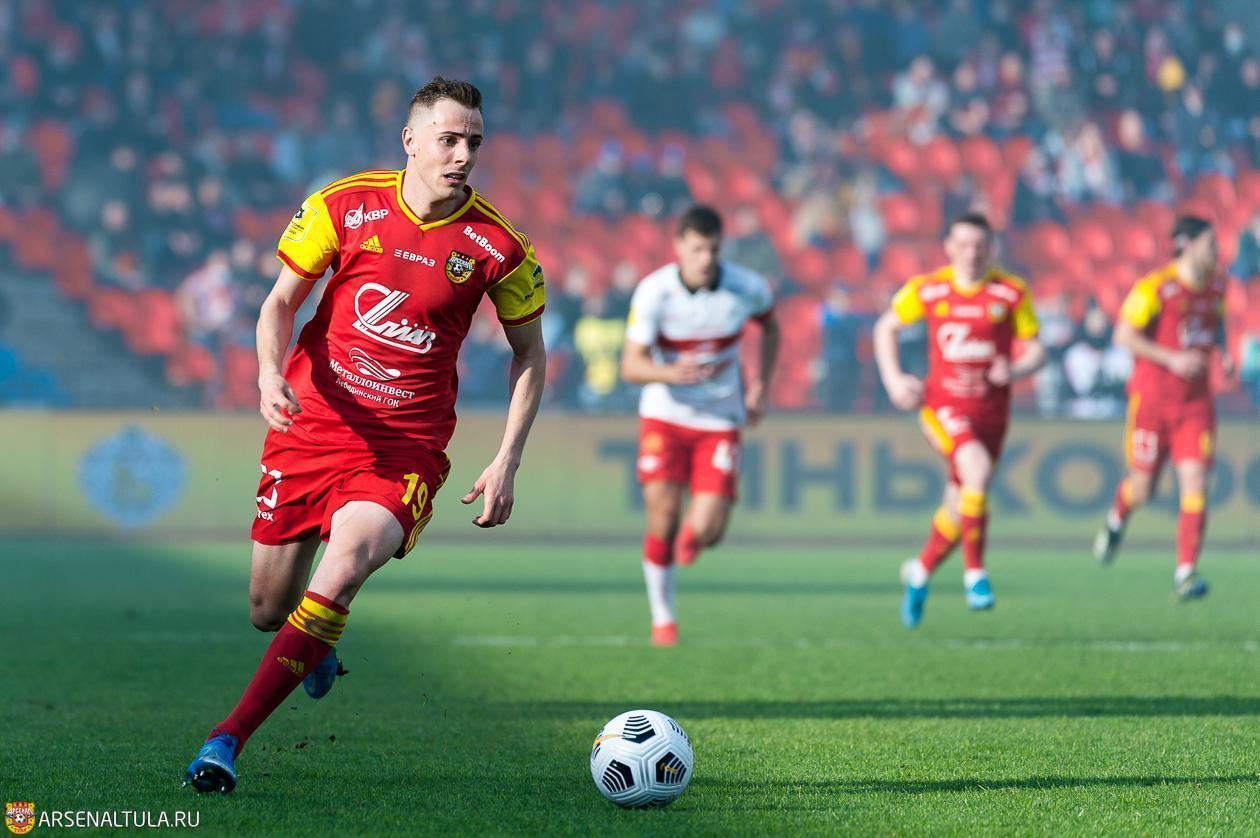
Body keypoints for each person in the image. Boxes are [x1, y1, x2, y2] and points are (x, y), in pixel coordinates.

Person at [183, 77, 547, 793]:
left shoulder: (499, 246)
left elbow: (530, 353)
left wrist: (508, 457)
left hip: (404, 448)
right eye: (449, 139)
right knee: (268, 610)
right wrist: (268, 374)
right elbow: (278, 303)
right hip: (312, 426)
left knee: (345, 564)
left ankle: (226, 739)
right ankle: (314, 644)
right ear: (410, 140)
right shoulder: (343, 205)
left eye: (474, 142)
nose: (463, 154)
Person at [873, 212, 1047, 629]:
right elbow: (885, 327)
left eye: (980, 246)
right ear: (948, 248)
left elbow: (1037, 349)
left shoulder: (1010, 293)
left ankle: (920, 573)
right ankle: (976, 576)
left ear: (992, 249)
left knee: (960, 506)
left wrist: (1017, 369)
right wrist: (894, 380)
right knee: (977, 470)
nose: (972, 253)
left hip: (992, 414)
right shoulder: (929, 289)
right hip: (943, 407)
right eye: (964, 245)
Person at [620, 206, 779, 646]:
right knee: (663, 516)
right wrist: (670, 373)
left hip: (719, 418)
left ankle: (694, 537)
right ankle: (663, 620)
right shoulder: (654, 292)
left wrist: (761, 385)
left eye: (712, 249)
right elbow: (630, 366)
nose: (705, 259)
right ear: (679, 248)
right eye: (696, 249)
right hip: (665, 416)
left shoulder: (747, 287)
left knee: (709, 530)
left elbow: (771, 328)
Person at [1093, 216, 1233, 600]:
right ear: (1187, 244)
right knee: (1143, 488)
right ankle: (1117, 518)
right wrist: (1171, 359)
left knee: (1196, 482)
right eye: (1210, 244)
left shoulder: (1217, 286)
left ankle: (1185, 573)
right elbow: (1123, 334)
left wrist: (1222, 353)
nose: (1217, 251)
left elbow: (1216, 325)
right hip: (1152, 404)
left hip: (1196, 405)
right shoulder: (1155, 288)